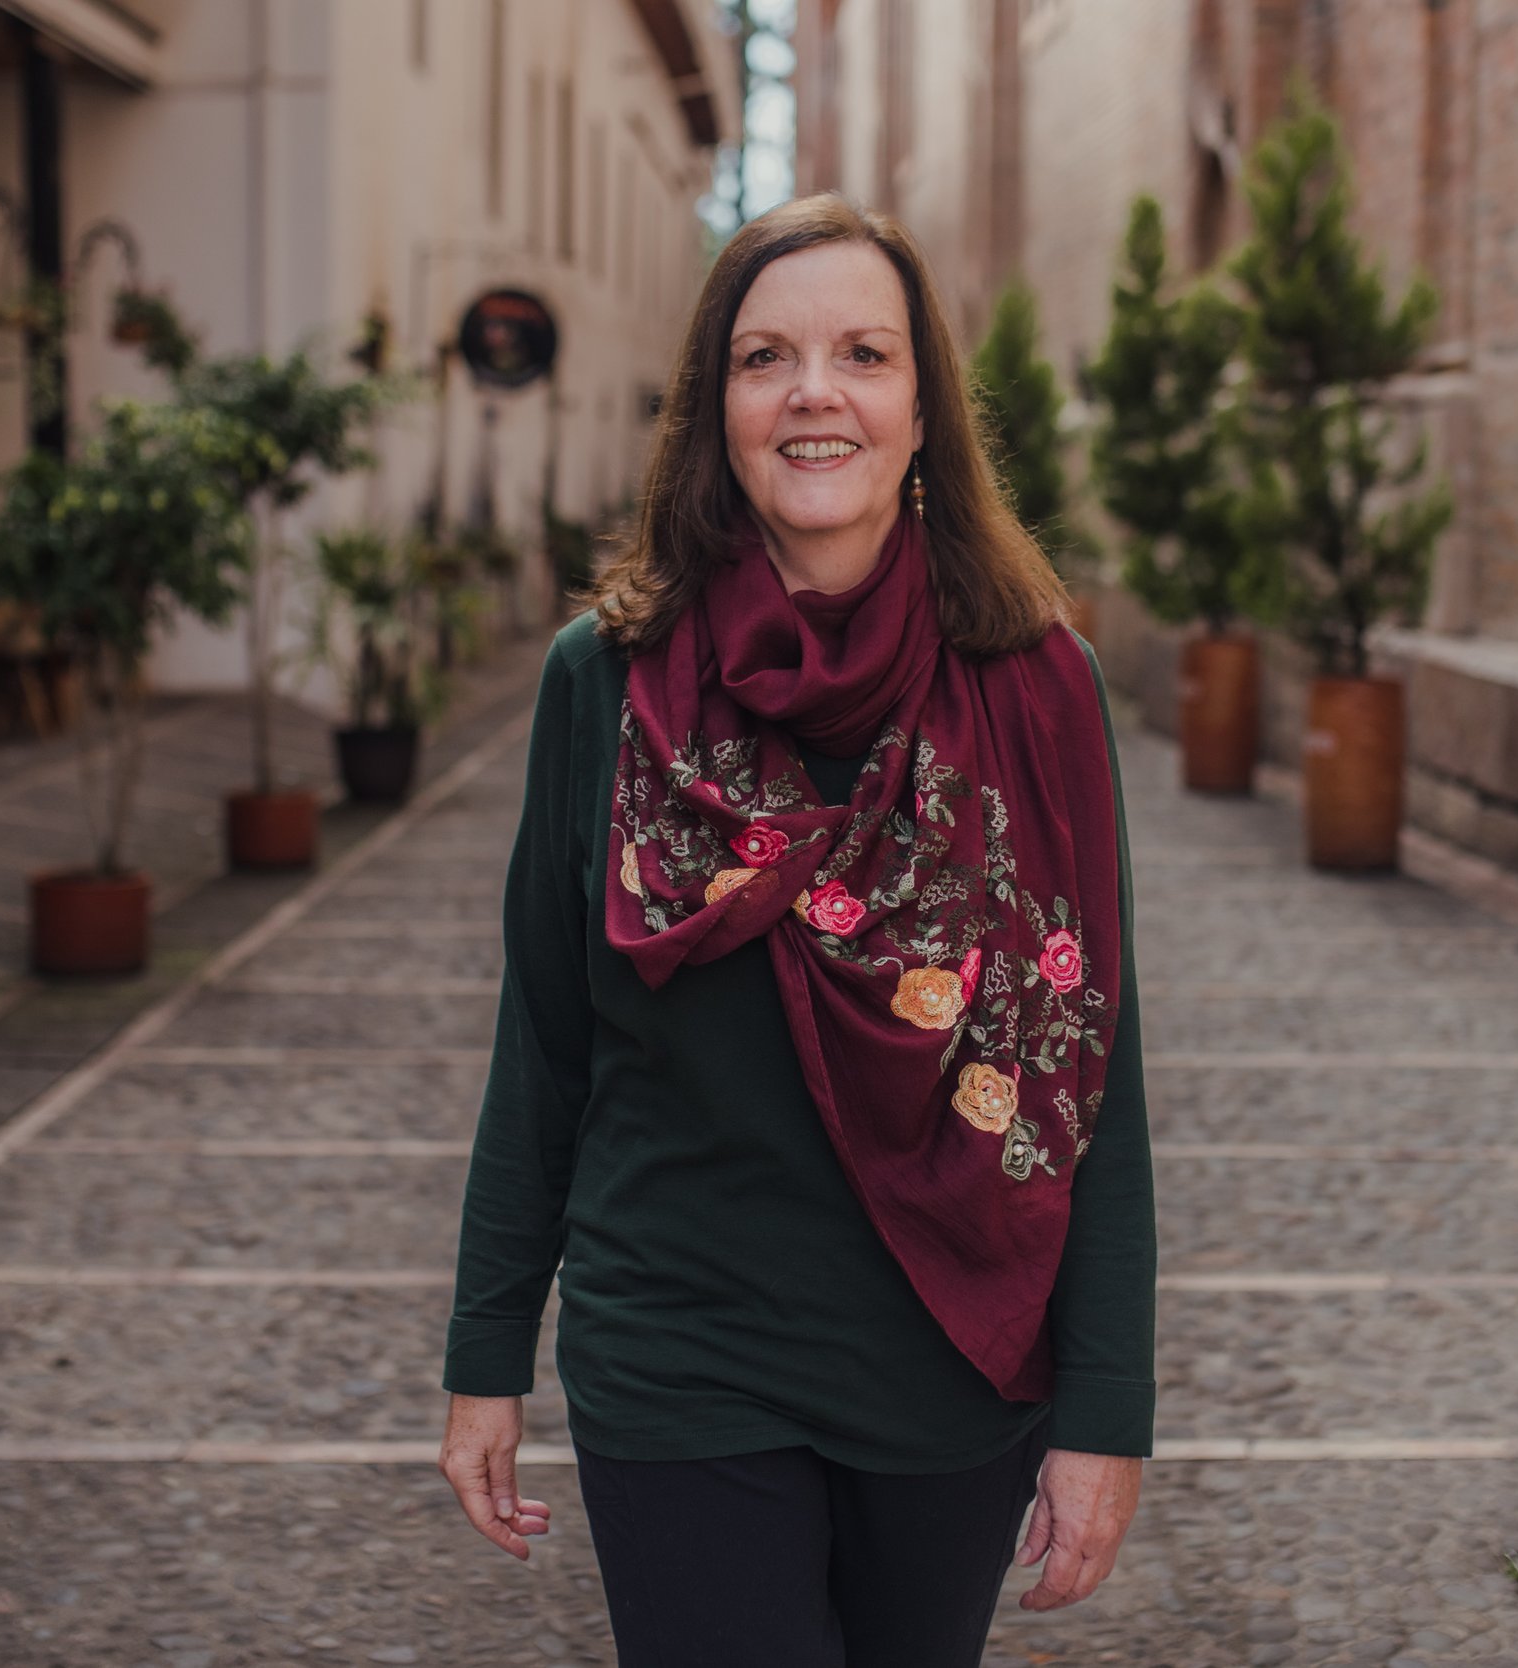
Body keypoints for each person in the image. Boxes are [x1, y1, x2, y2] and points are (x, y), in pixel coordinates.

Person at [439, 194, 1154, 1668]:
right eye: (766, 358)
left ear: (923, 411)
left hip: (955, 1362)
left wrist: (1107, 1408)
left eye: (864, 355)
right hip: (680, 1350)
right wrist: (485, 1352)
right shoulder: (605, 681)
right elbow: (545, 1041)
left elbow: (1098, 1071)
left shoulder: (1039, 687)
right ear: (718, 410)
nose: (815, 392)